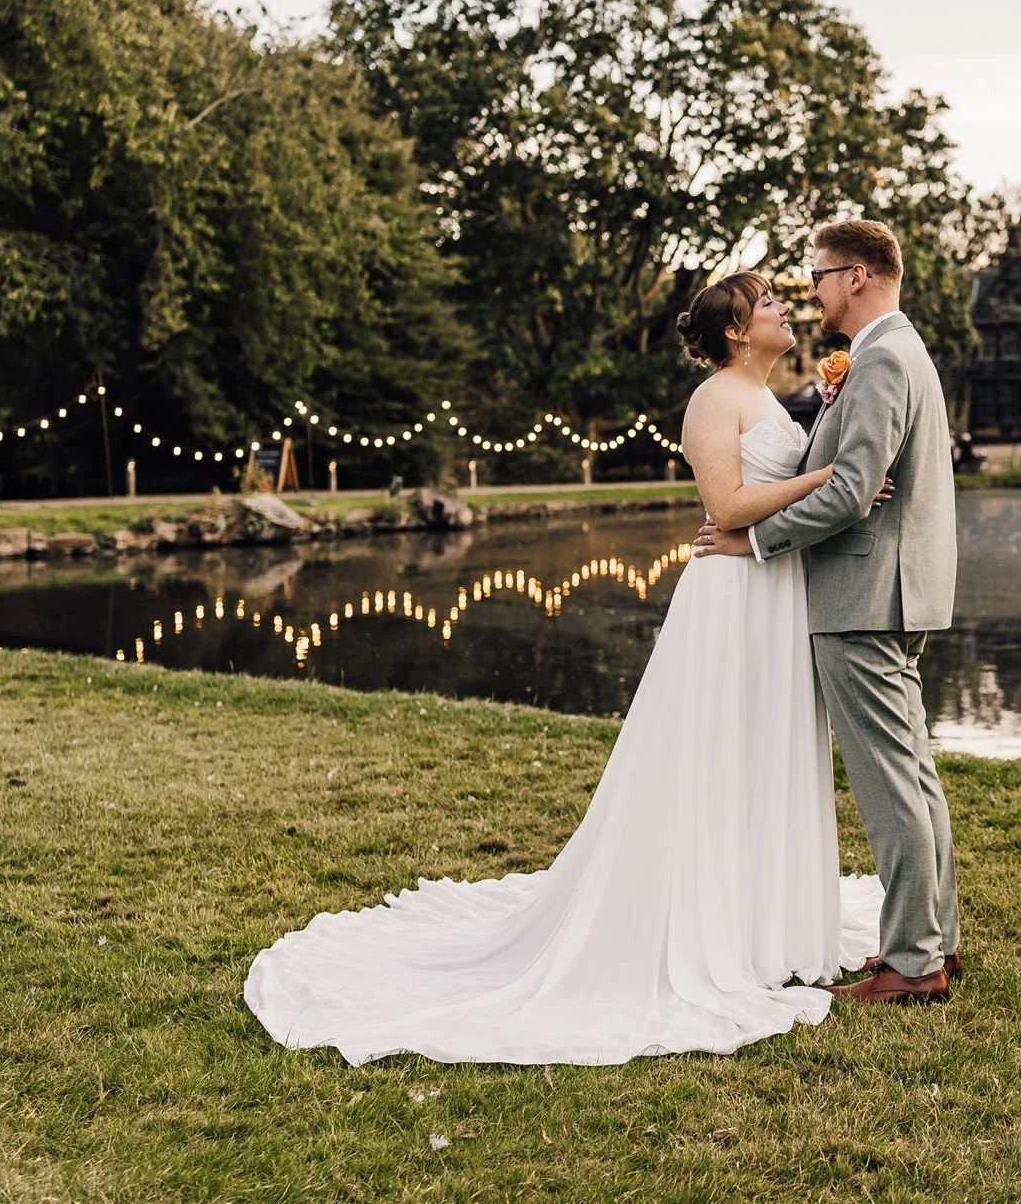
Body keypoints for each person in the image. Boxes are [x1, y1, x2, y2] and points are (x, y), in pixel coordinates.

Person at [244, 271, 892, 1066]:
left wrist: (834, 442)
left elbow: (776, 495)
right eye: (766, 303)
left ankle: (768, 916)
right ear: (733, 329)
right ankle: (707, 922)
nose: (782, 309)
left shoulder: (776, 394)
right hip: (732, 596)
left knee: (763, 750)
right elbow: (724, 508)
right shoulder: (712, 400)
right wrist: (833, 479)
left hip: (776, 588)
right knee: (714, 752)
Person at [695, 219, 962, 1005]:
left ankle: (913, 964)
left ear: (857, 277)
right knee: (912, 775)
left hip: (862, 594)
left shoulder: (881, 357)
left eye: (818, 274)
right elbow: (849, 478)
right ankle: (934, 943)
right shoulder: (898, 350)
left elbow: (851, 491)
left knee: (890, 786)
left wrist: (756, 542)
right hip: (892, 589)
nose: (810, 289)